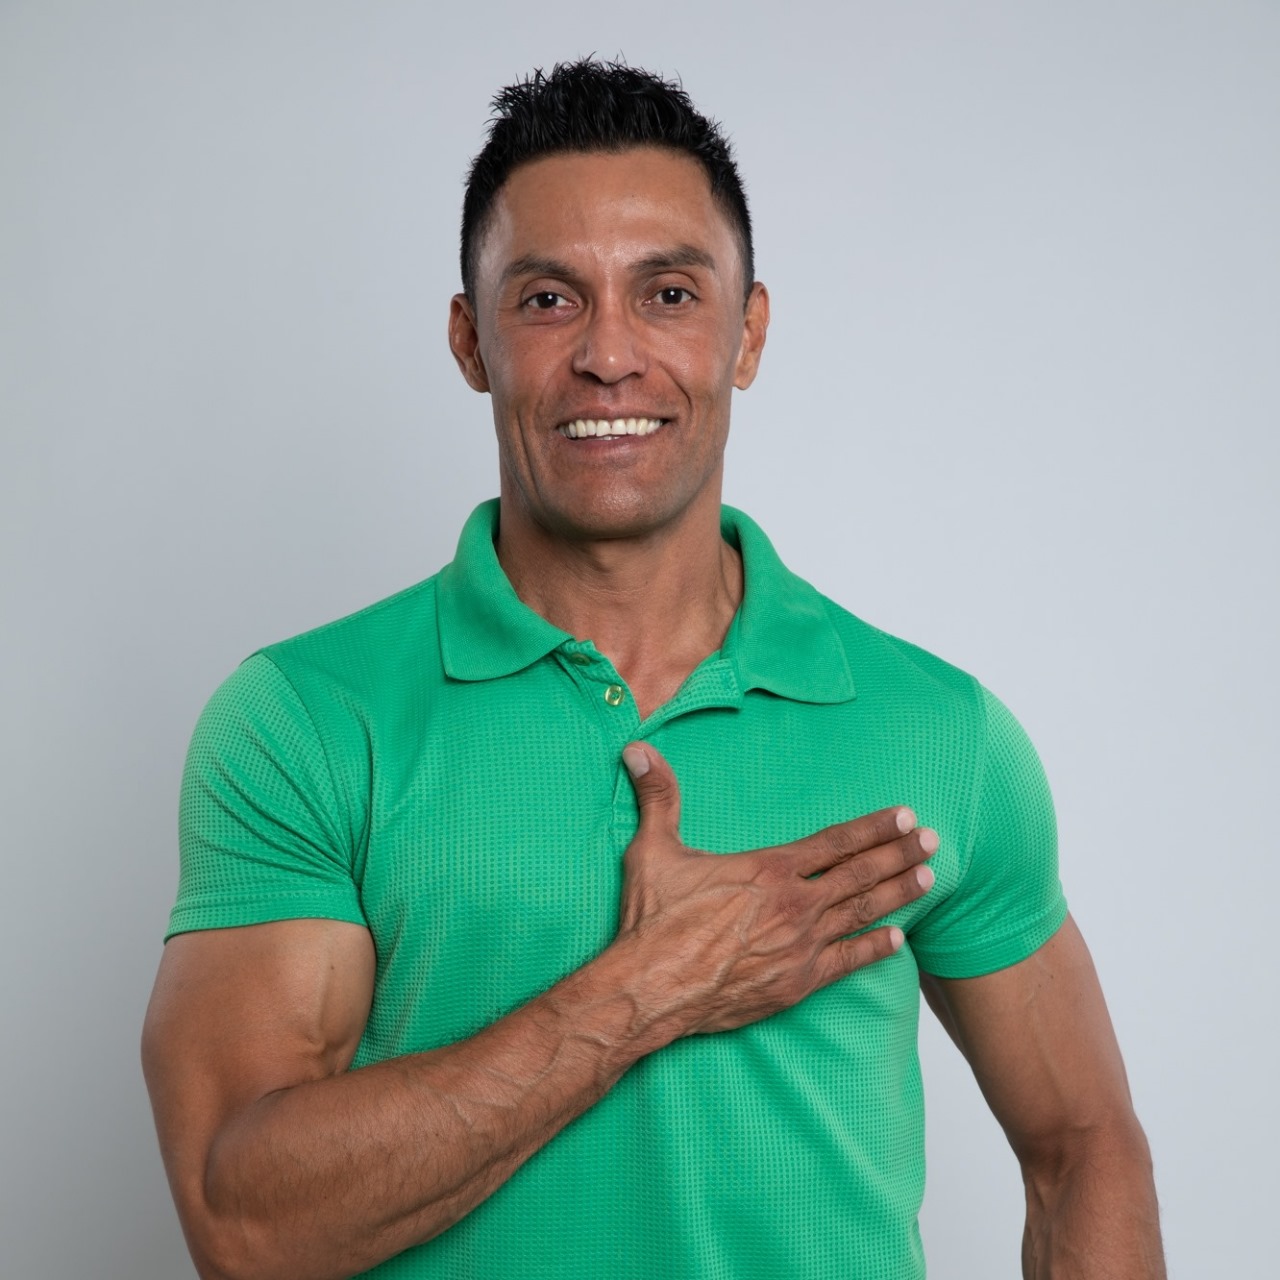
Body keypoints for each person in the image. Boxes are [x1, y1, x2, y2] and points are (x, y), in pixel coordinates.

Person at [142, 59, 1164, 1280]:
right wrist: (647, 987)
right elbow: (246, 1224)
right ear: (470, 341)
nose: (609, 355)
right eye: (547, 299)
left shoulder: (938, 731)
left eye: (668, 293)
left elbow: (1080, 1145)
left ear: (748, 331)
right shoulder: (305, 720)